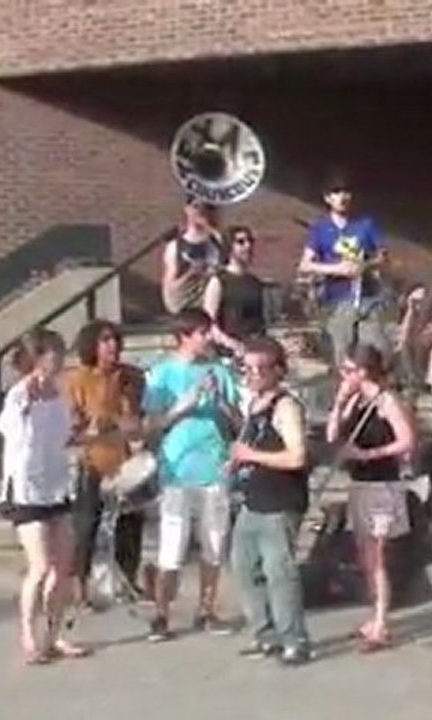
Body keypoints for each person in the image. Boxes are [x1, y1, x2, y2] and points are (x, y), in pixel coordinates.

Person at [141, 308, 242, 641]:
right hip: (177, 469)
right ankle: (161, 613)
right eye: (202, 333)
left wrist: (221, 403)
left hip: (214, 465)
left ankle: (206, 610)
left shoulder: (219, 371)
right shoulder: (162, 374)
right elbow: (150, 425)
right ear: (184, 335)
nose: (208, 338)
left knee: (213, 544)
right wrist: (179, 408)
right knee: (172, 545)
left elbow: (240, 423)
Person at [0, 329, 89, 664]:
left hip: (55, 484)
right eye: (54, 354)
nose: (60, 360)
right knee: (39, 565)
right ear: (38, 358)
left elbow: (64, 435)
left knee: (63, 566)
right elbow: (11, 432)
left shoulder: (59, 394)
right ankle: (28, 634)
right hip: (25, 488)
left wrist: (81, 433)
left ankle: (54, 635)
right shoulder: (18, 395)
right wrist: (27, 398)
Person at [326, 344, 416, 651]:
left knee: (376, 557)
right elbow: (331, 436)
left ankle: (381, 623)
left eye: (349, 371)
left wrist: (368, 454)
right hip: (360, 483)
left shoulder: (385, 401)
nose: (344, 376)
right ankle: (375, 613)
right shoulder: (354, 401)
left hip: (382, 483)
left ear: (363, 372)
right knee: (365, 556)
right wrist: (338, 404)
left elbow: (406, 440)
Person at [228, 337, 310, 666]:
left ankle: (295, 639)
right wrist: (239, 460)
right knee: (244, 568)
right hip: (253, 499)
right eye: (248, 368)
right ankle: (266, 633)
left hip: (279, 502)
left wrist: (251, 454)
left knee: (280, 574)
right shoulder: (255, 405)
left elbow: (296, 457)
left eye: (261, 369)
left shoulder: (286, 407)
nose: (253, 375)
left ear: (278, 370)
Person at [65, 320, 146, 608]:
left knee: (130, 523)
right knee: (86, 525)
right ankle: (80, 588)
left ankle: (128, 579)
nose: (112, 346)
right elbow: (72, 425)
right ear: (92, 346)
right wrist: (89, 427)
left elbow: (137, 419)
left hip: (126, 460)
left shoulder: (130, 377)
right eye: (105, 340)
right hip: (94, 460)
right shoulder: (79, 379)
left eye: (115, 339)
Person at [298, 171, 389, 363]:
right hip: (338, 302)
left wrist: (364, 265)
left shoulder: (365, 225)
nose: (343, 197)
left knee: (376, 351)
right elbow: (305, 265)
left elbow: (383, 257)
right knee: (343, 357)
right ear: (328, 198)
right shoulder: (320, 229)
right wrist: (336, 269)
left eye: (346, 192)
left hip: (367, 299)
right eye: (337, 192)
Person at [203, 225, 266, 358]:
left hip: (254, 351)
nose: (247, 246)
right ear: (229, 247)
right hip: (228, 353)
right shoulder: (218, 281)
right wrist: (230, 343)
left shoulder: (254, 282)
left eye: (250, 241)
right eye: (241, 242)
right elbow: (209, 323)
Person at [161, 197, 224, 315]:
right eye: (196, 207)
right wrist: (190, 273)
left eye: (207, 207)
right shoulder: (175, 246)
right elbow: (170, 287)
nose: (201, 211)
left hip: (215, 306)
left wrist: (211, 229)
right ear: (187, 210)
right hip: (188, 308)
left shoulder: (218, 242)